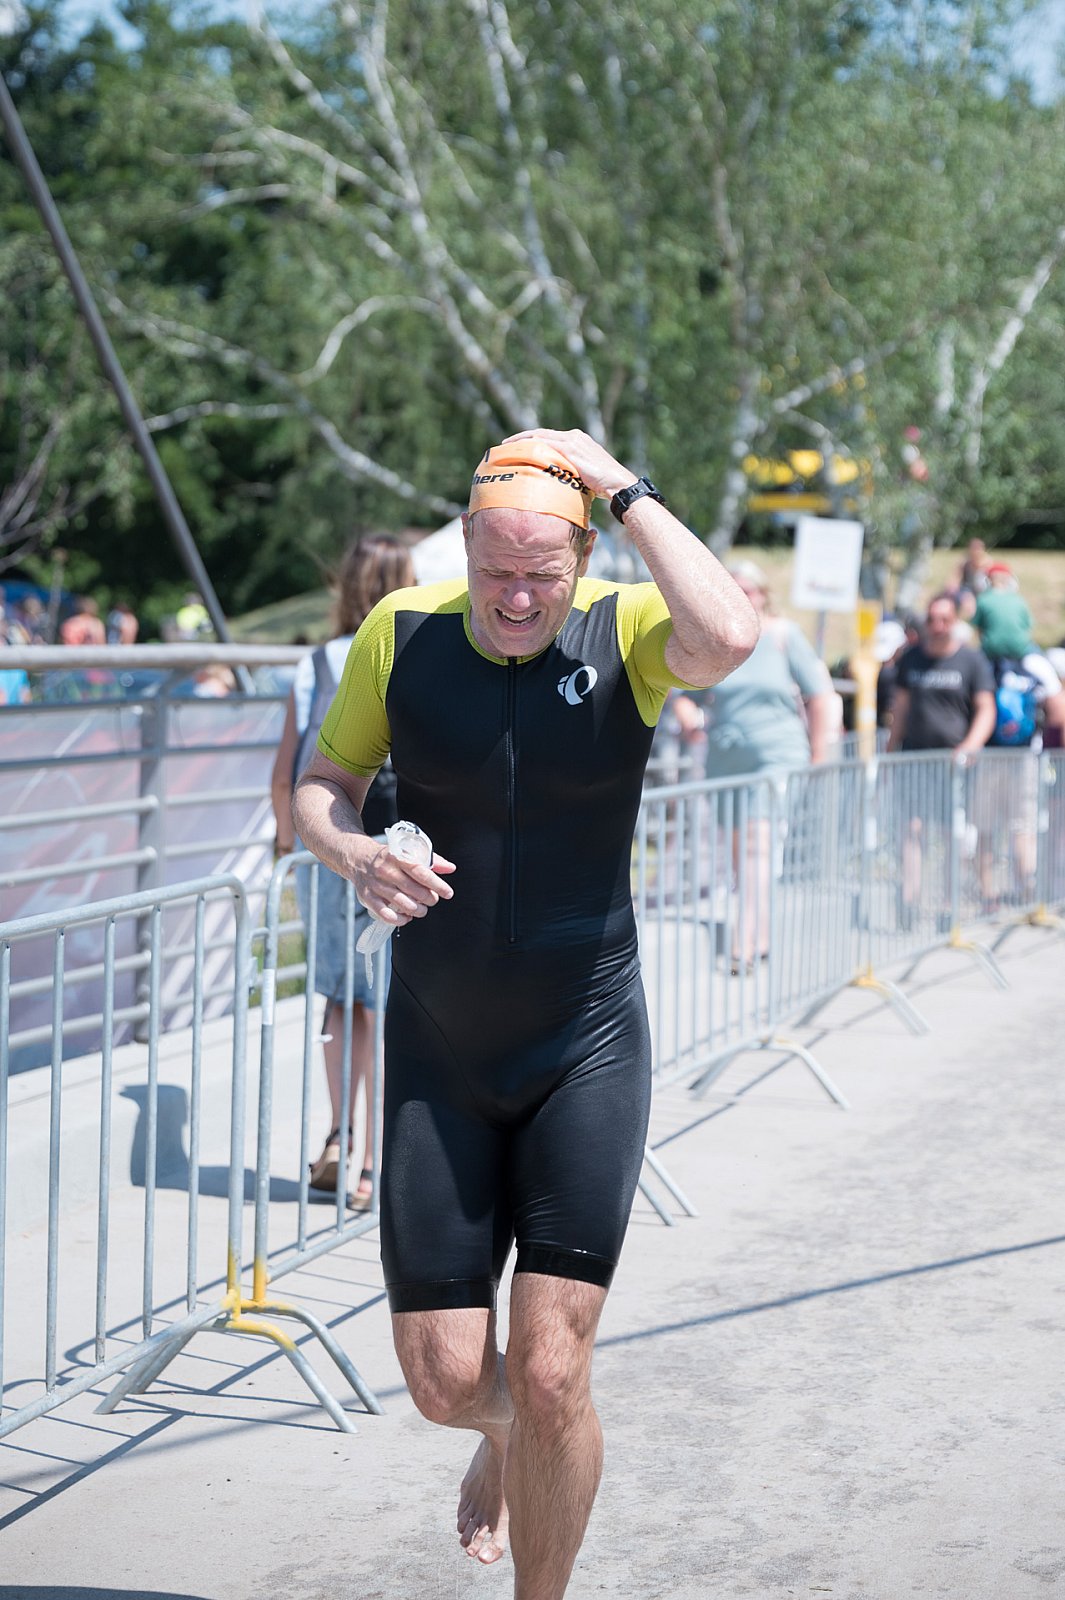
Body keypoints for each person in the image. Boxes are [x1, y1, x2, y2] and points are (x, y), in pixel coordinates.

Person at [292, 429, 757, 1597]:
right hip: (439, 1051)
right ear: (464, 544)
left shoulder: (628, 630)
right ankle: (507, 1438)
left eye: (539, 574)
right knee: (449, 1381)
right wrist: (354, 854)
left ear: (583, 554)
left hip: (583, 1045)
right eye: (493, 568)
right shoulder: (402, 633)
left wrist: (622, 482)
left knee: (552, 1371)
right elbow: (321, 787)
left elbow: (730, 634)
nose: (513, 597)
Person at [271, 536, 415, 1203]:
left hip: (330, 844)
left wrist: (286, 842)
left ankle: (338, 1132)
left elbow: (288, 770)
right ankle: (377, 1158)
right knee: (388, 999)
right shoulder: (417, 648)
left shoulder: (318, 661)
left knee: (338, 991)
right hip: (401, 842)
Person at [695, 558, 838, 970]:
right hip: (726, 757)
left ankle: (744, 941)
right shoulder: (715, 639)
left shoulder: (782, 634)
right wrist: (690, 720)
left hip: (777, 754)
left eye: (748, 590)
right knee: (740, 854)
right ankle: (759, 932)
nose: (741, 596)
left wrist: (819, 754)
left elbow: (820, 695)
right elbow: (686, 695)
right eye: (733, 589)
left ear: (762, 595)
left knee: (758, 845)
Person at [887, 592, 996, 923]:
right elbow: (901, 708)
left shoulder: (971, 661)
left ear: (955, 621)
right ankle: (910, 900)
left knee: (950, 834)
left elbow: (986, 709)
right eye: (932, 620)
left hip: (953, 764)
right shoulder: (911, 658)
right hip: (914, 759)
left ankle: (948, 904)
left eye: (944, 620)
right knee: (911, 829)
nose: (937, 626)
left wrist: (971, 745)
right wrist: (890, 750)